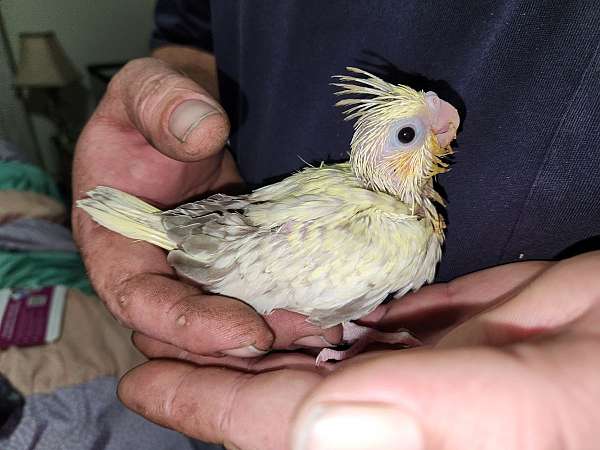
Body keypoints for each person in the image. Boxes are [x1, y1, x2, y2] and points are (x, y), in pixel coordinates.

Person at [72, 1, 600, 448]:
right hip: (231, 243)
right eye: (410, 135)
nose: (441, 127)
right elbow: (188, 17)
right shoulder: (396, 234)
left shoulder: (372, 199)